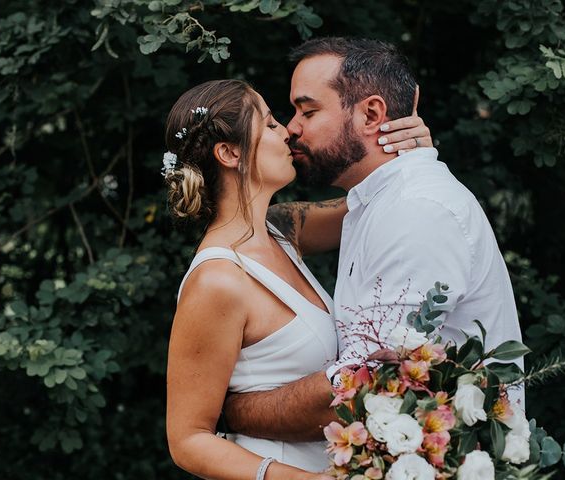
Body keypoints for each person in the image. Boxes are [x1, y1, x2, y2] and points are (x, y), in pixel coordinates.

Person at [223, 37, 525, 443]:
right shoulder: (376, 201)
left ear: (370, 114)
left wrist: (231, 411)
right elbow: (264, 225)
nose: (292, 128)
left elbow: (365, 386)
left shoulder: (415, 211)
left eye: (307, 111)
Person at [164, 78, 432, 479]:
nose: (288, 130)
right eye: (270, 123)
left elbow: (377, 202)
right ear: (230, 152)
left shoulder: (282, 230)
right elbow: (188, 440)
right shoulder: (217, 280)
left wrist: (413, 154)